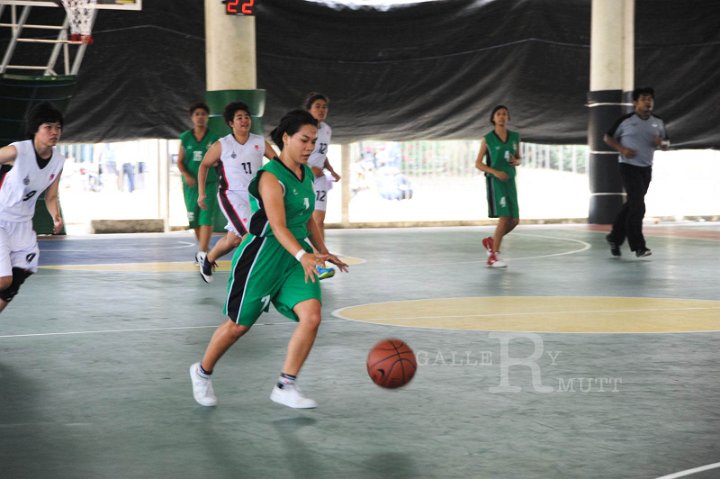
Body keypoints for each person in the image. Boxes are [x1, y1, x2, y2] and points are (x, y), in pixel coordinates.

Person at [189, 109, 348, 409]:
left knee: (311, 316)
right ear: (286, 138)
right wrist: (304, 255)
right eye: (304, 140)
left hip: (293, 257)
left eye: (314, 141)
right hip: (262, 255)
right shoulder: (270, 177)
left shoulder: (304, 175)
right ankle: (201, 372)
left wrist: (321, 250)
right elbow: (277, 225)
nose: (309, 147)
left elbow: (307, 219)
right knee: (238, 326)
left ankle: (285, 385)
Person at [196, 101, 277, 283]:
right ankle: (248, 277)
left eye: (246, 117)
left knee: (233, 240)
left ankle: (207, 259)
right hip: (231, 195)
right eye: (239, 118)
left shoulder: (259, 142)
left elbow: (278, 163)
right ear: (231, 123)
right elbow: (204, 165)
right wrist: (201, 193)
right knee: (249, 234)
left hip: (255, 197)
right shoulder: (223, 145)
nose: (244, 120)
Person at [0, 102, 66, 314]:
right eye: (48, 127)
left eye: (58, 127)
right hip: (1, 218)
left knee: (14, 283)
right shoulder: (17, 151)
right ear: (36, 129)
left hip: (22, 225)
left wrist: (55, 216)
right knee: (3, 280)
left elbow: (51, 195)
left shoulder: (58, 161)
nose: (54, 132)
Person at [604, 87, 669, 258]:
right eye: (644, 99)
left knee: (632, 204)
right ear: (635, 103)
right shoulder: (625, 121)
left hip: (646, 168)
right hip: (628, 166)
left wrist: (662, 144)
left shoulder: (658, 122)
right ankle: (639, 246)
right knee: (638, 206)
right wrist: (622, 149)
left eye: (650, 100)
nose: (648, 103)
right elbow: (607, 137)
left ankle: (614, 238)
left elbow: (666, 143)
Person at [474, 105, 521, 268]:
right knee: (505, 216)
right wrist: (495, 172)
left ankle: (491, 242)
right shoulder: (488, 139)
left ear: (508, 118)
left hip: (510, 180)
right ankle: (493, 256)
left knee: (515, 220)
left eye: (505, 114)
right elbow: (478, 163)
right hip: (496, 181)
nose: (502, 116)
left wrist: (517, 161)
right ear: (493, 118)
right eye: (499, 114)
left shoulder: (515, 137)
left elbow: (517, 157)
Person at [177, 102, 220, 264]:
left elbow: (219, 158)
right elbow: (180, 162)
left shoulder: (214, 138)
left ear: (207, 117)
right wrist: (187, 175)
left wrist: (216, 163)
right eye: (197, 114)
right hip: (190, 186)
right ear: (192, 117)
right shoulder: (185, 138)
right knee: (194, 220)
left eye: (203, 114)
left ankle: (202, 252)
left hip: (208, 183)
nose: (200, 117)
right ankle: (204, 249)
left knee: (206, 218)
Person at [304, 93, 341, 280]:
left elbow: (322, 154)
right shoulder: (304, 129)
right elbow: (292, 154)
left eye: (324, 107)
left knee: (319, 220)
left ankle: (320, 263)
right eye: (317, 106)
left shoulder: (326, 129)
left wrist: (331, 170)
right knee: (303, 222)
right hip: (303, 178)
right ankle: (304, 259)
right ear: (309, 109)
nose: (321, 110)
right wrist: (310, 170)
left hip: (319, 180)